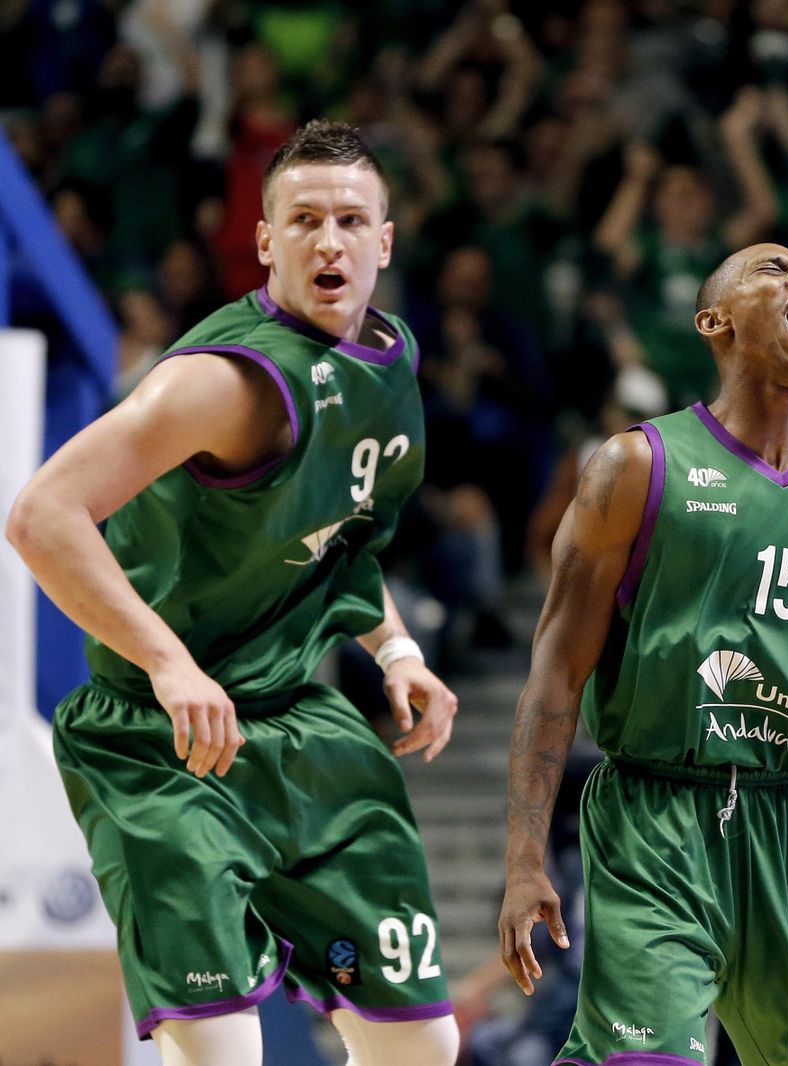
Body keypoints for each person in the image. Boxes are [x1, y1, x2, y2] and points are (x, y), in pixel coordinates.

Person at [6, 120, 461, 1066]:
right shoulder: (220, 383)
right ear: (265, 242)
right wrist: (168, 664)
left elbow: (338, 539)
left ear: (385, 239)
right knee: (223, 1054)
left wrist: (397, 651)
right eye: (303, 221)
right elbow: (42, 516)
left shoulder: (389, 360)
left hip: (296, 717)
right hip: (162, 738)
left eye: (348, 220)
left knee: (424, 1044)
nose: (327, 242)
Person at [498, 243, 788, 1065]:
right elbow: (555, 670)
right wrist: (523, 861)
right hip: (659, 816)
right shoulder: (635, 465)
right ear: (713, 322)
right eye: (772, 269)